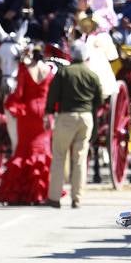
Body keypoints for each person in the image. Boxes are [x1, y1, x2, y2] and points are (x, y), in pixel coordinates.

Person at [0, 44, 56, 205]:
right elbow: (52, 95)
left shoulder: (25, 70)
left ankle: (19, 194)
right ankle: (39, 194)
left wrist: (10, 105)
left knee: (23, 151)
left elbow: (18, 93)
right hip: (44, 115)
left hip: (27, 114)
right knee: (42, 153)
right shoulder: (49, 71)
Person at [44, 40, 103, 208]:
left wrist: (48, 112)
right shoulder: (92, 75)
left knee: (59, 156)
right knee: (79, 159)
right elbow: (98, 100)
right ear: (85, 56)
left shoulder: (63, 73)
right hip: (86, 118)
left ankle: (54, 197)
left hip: (66, 117)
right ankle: (77, 198)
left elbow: (52, 95)